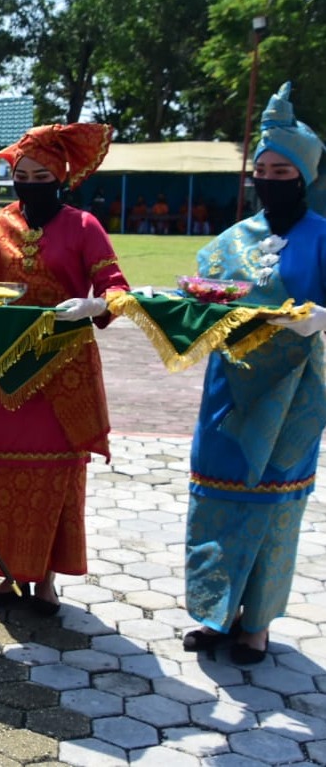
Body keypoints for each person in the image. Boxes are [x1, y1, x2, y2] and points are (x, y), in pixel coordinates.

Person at [181, 82, 326, 664]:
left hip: (295, 396)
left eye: (281, 170)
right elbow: (200, 302)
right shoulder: (230, 240)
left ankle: (257, 625)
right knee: (215, 499)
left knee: (274, 507)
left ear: (304, 176)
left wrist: (320, 321)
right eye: (261, 169)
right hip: (229, 393)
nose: (269, 179)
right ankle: (215, 614)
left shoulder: (322, 238)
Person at [0, 123, 130, 616]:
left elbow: (117, 288)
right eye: (22, 174)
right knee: (4, 476)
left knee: (56, 477)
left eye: (41, 175)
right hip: (8, 371)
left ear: (60, 177)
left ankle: (47, 583)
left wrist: (93, 305)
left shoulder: (83, 226)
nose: (30, 183)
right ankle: (7, 577)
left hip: (64, 369)